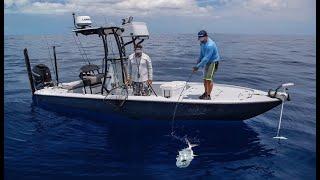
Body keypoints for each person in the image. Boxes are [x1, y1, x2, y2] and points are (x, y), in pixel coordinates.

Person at [192, 30, 220, 100]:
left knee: (208, 79)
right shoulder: (202, 43)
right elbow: (201, 54)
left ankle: (208, 96)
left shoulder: (210, 45)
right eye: (199, 37)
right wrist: (197, 63)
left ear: (206, 36)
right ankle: (205, 93)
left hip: (213, 62)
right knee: (205, 79)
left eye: (202, 37)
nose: (200, 39)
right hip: (207, 62)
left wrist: (197, 66)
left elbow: (206, 58)